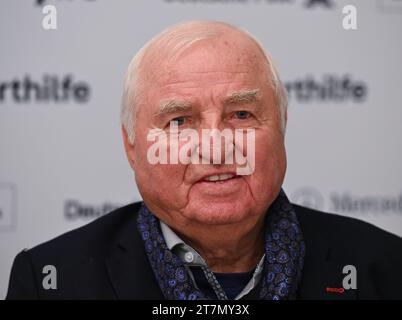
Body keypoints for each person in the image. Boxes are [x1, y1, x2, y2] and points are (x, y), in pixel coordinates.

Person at [6, 21, 402, 300]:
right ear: (131, 146)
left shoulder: (383, 266)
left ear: (281, 127)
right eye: (180, 121)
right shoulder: (50, 280)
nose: (216, 147)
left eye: (241, 115)